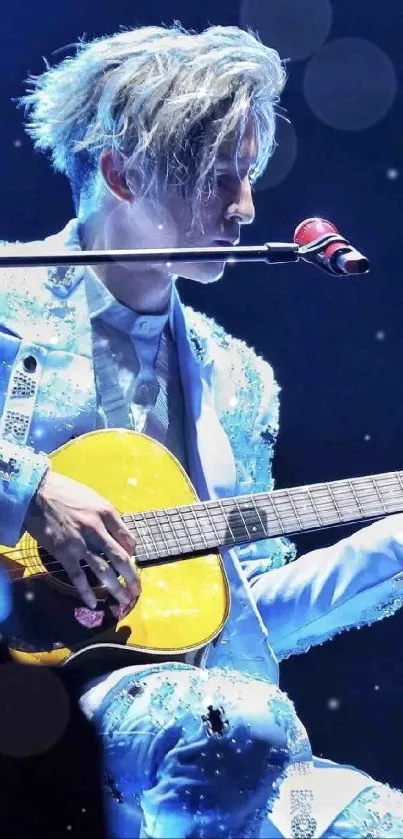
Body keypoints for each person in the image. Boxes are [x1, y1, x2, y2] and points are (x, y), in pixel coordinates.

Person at [1, 22, 403, 838]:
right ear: (121, 172)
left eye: (247, 175)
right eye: (217, 176)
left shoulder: (237, 380)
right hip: (46, 715)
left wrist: (391, 551)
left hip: (226, 735)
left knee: (371, 820)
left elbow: (241, 615)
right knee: (234, 731)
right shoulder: (5, 305)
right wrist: (28, 484)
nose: (246, 206)